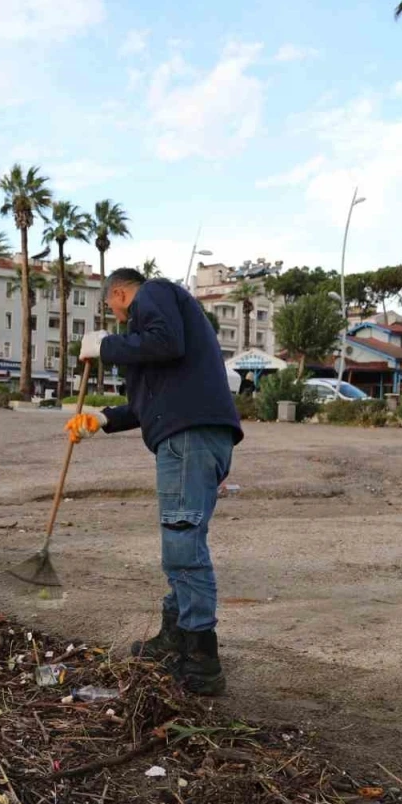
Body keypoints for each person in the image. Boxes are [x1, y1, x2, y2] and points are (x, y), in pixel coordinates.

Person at [75, 268, 243, 695]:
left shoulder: (154, 294)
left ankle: (202, 658)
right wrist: (103, 418)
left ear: (118, 292)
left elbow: (165, 342)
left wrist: (105, 345)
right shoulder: (160, 335)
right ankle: (175, 636)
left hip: (189, 439)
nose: (114, 315)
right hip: (193, 436)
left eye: (111, 306)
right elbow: (147, 403)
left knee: (183, 547)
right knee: (181, 542)